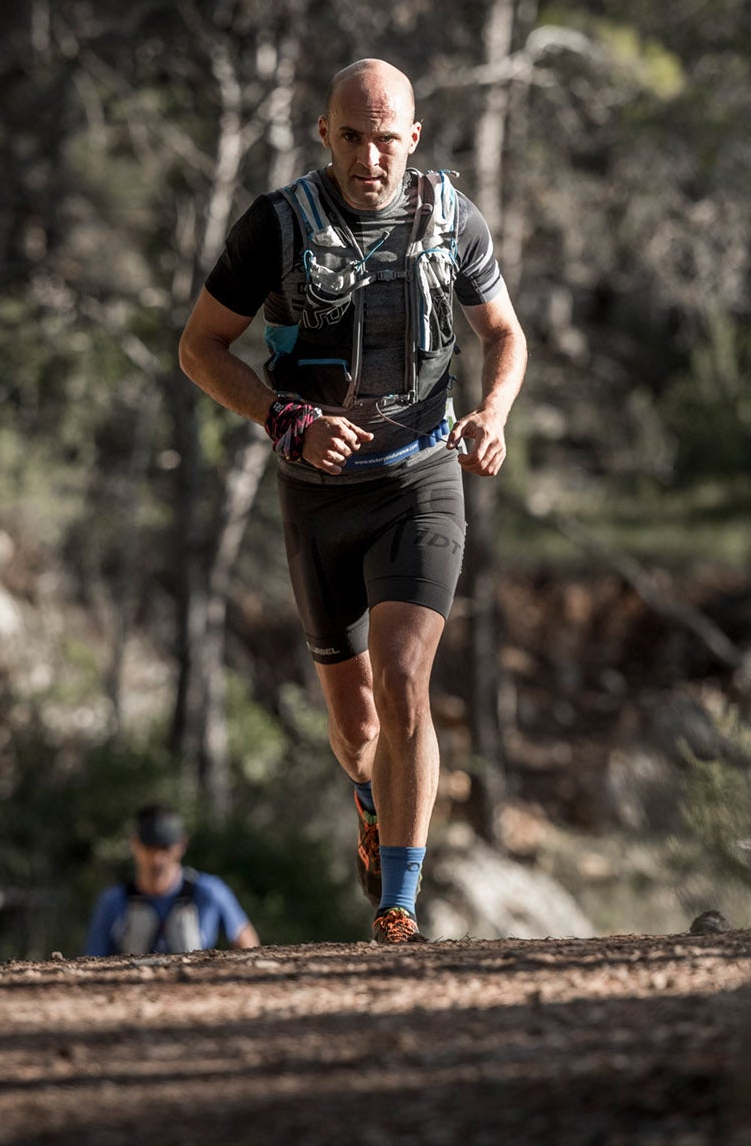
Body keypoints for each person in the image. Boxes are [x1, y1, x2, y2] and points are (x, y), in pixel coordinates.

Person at [178, 57, 527, 946]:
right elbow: (200, 348)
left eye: (388, 138)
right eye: (354, 137)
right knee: (356, 725)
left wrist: (491, 412)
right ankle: (369, 795)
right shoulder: (278, 225)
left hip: (420, 479)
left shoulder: (452, 218)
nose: (372, 156)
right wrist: (282, 413)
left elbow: (504, 334)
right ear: (325, 136)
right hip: (317, 499)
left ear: (415, 138)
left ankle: (399, 904)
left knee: (405, 678)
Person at [83, 806, 261, 956]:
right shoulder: (113, 902)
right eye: (150, 848)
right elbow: (92, 960)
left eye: (164, 848)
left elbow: (248, 944)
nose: (157, 859)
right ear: (135, 844)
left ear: (182, 845)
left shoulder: (209, 892)